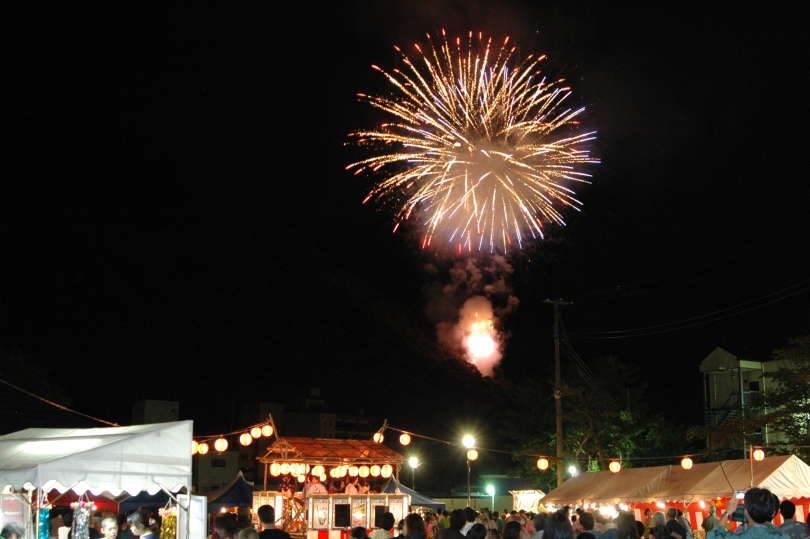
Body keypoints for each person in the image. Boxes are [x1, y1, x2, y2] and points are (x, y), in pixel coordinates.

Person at [707, 489, 787, 539]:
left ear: (745, 511)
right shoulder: (782, 536)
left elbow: (712, 536)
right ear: (772, 513)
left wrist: (727, 513)